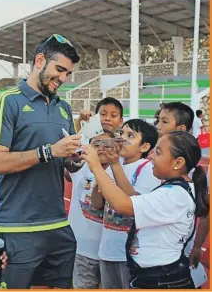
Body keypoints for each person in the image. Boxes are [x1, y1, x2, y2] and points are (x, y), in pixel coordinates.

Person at [0, 34, 82, 289]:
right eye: (59, 70)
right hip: (17, 227)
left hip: (59, 224)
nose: (63, 79)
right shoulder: (8, 100)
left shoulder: (64, 108)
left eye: (68, 73)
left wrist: (75, 161)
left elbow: (64, 161)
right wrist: (49, 152)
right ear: (40, 60)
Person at [82, 131, 209, 289]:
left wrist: (96, 167)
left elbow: (123, 205)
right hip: (156, 275)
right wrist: (115, 163)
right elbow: (133, 197)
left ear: (178, 163)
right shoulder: (176, 189)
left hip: (161, 279)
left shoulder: (174, 195)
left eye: (158, 152)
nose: (151, 157)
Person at [92, 119, 161, 289]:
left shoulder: (146, 169)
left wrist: (114, 165)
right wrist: (99, 179)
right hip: (107, 249)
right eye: (121, 133)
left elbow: (135, 204)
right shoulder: (113, 165)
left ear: (144, 147)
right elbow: (96, 204)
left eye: (130, 135)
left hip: (130, 255)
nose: (121, 139)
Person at [65, 98, 124, 289]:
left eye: (113, 115)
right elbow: (69, 163)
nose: (107, 119)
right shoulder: (82, 164)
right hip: (82, 249)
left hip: (114, 251)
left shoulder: (122, 167)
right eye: (103, 114)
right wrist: (79, 125)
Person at [157, 102, 210, 285]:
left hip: (178, 252)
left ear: (180, 128)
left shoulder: (192, 173)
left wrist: (197, 246)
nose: (158, 126)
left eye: (164, 121)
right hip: (158, 248)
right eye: (158, 120)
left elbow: (205, 213)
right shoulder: (156, 163)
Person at [67, 130, 116, 289]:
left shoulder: (120, 172)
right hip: (81, 250)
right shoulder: (81, 168)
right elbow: (68, 160)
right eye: (96, 144)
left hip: (110, 254)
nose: (101, 148)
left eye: (107, 145)